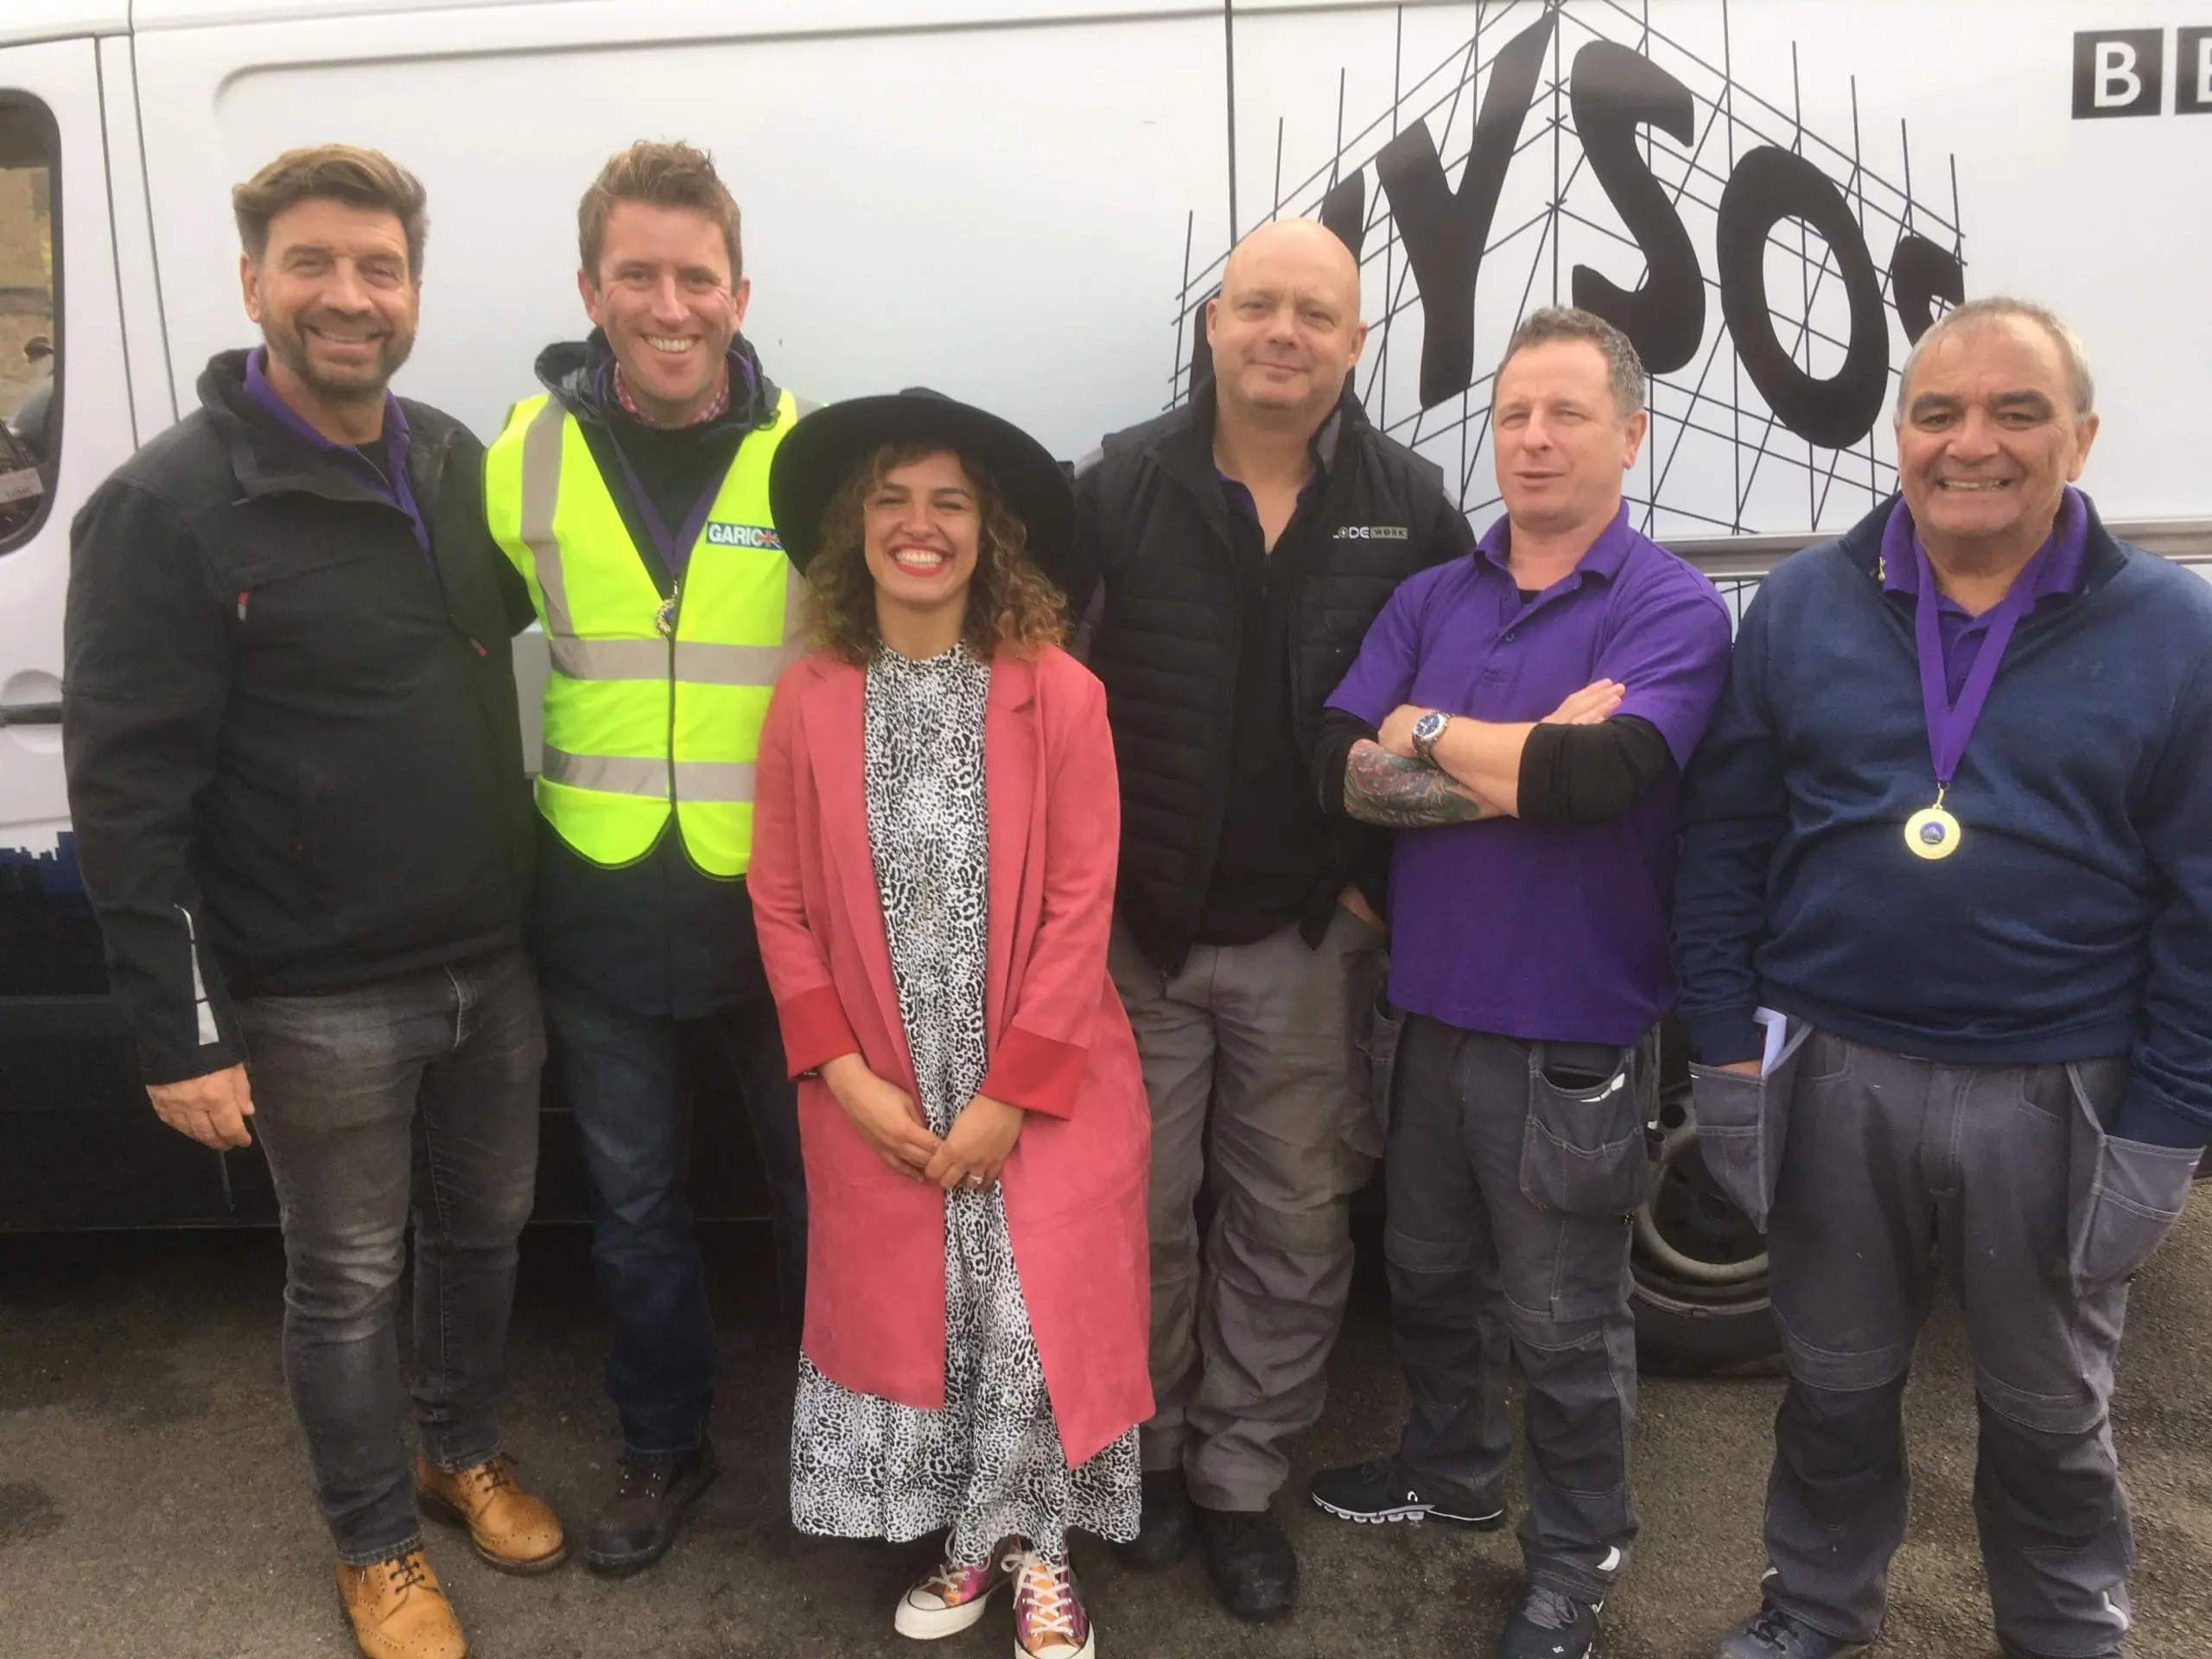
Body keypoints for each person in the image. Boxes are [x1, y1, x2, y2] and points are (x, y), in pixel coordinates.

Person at [61, 146, 558, 1659]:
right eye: (313, 264)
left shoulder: (456, 460)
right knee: (345, 1281)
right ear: (252, 284)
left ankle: (457, 1448)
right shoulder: (166, 508)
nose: (350, 295)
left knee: (487, 1235)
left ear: (413, 291)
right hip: (314, 993)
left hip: (489, 961)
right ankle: (374, 1544)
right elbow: (129, 796)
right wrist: (182, 1034)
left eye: (379, 267)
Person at [1673, 297, 2212, 1659]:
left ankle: (2066, 1630)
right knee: (1834, 1388)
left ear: (2080, 440)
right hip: (1834, 1071)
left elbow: (2206, 910)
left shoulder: (2178, 632)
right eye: (1938, 413)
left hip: (2060, 1089)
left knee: (2050, 1412)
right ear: (1898, 435)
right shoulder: (1803, 603)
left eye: (2017, 413)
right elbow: (1725, 845)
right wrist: (1724, 1050)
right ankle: (1814, 1608)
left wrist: (2166, 1128)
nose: (1972, 443)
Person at [1061, 215, 1468, 1622]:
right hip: (1138, 936)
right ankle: (1152, 1457)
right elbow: (1035, 691)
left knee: (1292, 1224)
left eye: (1315, 313)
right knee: (1136, 1220)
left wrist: (1378, 879)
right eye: (1257, 306)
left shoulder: (1411, 506)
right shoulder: (1114, 486)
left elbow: (1457, 714)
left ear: (1357, 342)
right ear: (1214, 323)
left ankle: (1239, 1480)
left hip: (1311, 937)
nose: (1282, 333)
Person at [1310, 307, 1731, 1659]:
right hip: (1427, 1013)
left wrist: (1431, 729)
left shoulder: (1669, 607)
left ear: (1632, 433)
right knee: (1428, 1275)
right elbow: (1345, 770)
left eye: (1566, 415)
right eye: (1513, 416)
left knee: (1564, 1321)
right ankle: (1451, 1470)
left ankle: (1575, 1556)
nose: (1534, 439)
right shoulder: (1435, 593)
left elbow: (1597, 778)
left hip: (1573, 1034)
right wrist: (1519, 754)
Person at [750, 390, 1152, 1659]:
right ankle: (970, 1536)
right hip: (882, 1082)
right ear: (853, 529)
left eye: (949, 503)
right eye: (891, 500)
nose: (918, 526)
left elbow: (1082, 905)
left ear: (990, 534)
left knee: (1031, 1320)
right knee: (937, 1321)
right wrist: (843, 1077)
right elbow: (778, 900)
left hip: (1037, 1080)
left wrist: (1010, 1096)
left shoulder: (1059, 695)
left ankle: (1041, 1553)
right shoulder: (808, 699)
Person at [483, 140, 811, 1576]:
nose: (669, 307)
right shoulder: (520, 455)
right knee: (631, 1211)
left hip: (780, 909)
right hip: (599, 899)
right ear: (590, 290)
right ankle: (665, 1443)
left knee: (824, 1204)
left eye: (696, 277)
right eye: (637, 276)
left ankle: (849, 1444)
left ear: (739, 290)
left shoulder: (815, 457)